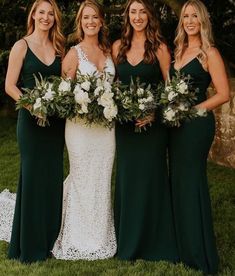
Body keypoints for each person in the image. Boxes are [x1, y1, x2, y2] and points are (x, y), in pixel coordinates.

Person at [112, 0, 178, 261]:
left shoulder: (160, 48)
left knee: (152, 180)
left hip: (153, 128)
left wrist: (154, 112)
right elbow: (113, 85)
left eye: (142, 12)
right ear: (127, 16)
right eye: (133, 12)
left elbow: (170, 88)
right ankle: (128, 242)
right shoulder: (118, 47)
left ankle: (156, 242)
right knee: (128, 182)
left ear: (150, 17)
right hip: (126, 128)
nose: (137, 17)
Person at [168, 0, 230, 274]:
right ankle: (181, 247)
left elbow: (223, 94)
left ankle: (199, 251)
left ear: (203, 21)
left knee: (192, 182)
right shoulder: (178, 50)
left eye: (195, 16)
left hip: (196, 126)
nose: (190, 21)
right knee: (178, 182)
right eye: (186, 16)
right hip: (175, 126)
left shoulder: (209, 53)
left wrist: (193, 110)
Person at [52, 0, 117, 260]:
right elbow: (64, 95)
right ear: (80, 22)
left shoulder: (109, 50)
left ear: (101, 21)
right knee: (81, 176)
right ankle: (76, 235)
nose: (90, 22)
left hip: (106, 129)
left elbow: (115, 86)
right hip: (79, 128)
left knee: (101, 178)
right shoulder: (73, 53)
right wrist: (85, 103)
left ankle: (100, 235)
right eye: (85, 18)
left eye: (94, 17)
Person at [4, 0, 65, 263]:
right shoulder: (22, 45)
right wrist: (32, 106)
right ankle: (27, 244)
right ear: (33, 15)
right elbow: (10, 85)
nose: (46, 17)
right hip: (30, 123)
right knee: (31, 179)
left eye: (51, 13)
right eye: (41, 12)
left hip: (55, 123)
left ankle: (49, 239)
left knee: (52, 180)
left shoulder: (60, 48)